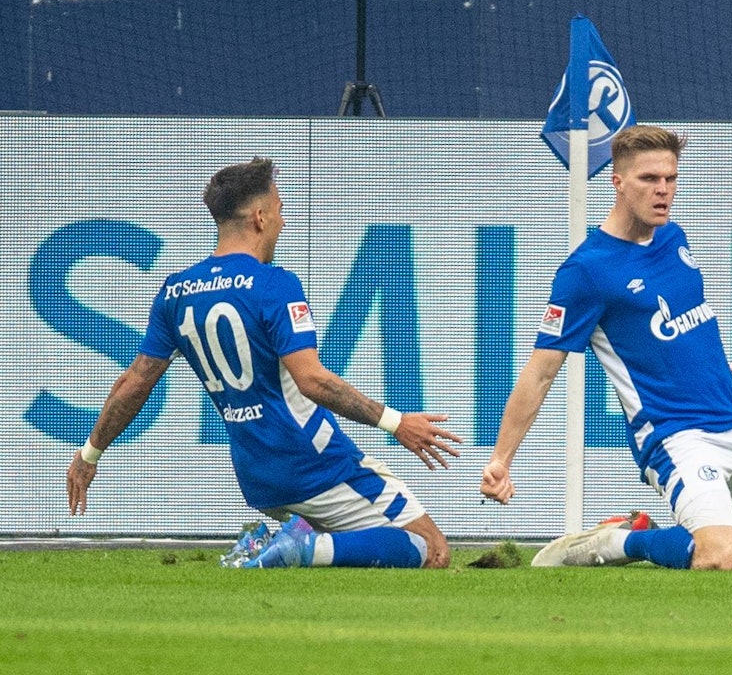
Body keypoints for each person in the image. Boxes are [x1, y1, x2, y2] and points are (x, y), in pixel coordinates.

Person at [66, 157, 462, 569]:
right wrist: (397, 423)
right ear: (259, 217)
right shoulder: (274, 284)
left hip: (257, 475)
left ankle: (276, 544)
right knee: (431, 549)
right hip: (315, 463)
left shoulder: (176, 292)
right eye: (279, 210)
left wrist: (90, 454)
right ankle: (299, 547)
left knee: (356, 549)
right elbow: (312, 381)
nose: (283, 223)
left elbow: (134, 382)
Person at [480, 125, 732, 570]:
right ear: (618, 182)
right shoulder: (587, 271)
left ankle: (671, 536)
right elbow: (541, 371)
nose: (663, 189)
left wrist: (727, 373)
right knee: (722, 556)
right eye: (649, 179)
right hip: (676, 436)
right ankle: (623, 541)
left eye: (670, 178)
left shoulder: (672, 237)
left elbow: (698, 316)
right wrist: (501, 460)